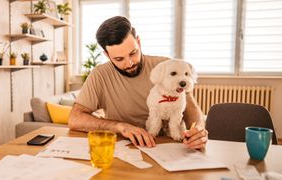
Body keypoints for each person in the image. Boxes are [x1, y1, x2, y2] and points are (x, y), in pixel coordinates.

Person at [68, 16, 208, 149]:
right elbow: (75, 119)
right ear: (107, 55)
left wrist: (198, 129)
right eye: (119, 59)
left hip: (168, 145)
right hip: (126, 148)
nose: (129, 63)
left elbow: (189, 105)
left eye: (133, 53)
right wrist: (120, 127)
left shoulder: (165, 65)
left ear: (139, 42)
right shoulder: (100, 75)